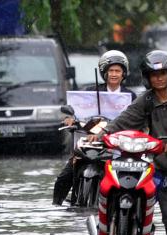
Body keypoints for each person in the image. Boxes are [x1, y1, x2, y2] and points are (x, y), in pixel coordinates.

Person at [88, 50, 167, 235]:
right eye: (154, 75)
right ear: (148, 78)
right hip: (164, 169)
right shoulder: (146, 100)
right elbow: (124, 119)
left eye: (163, 74)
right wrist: (102, 134)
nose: (159, 79)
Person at [52, 50, 136, 206]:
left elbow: (137, 120)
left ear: (124, 73)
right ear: (104, 72)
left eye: (117, 71)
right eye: (110, 70)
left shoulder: (131, 97)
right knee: (63, 178)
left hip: (116, 147)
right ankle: (57, 206)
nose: (114, 74)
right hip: (87, 145)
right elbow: (75, 112)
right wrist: (69, 120)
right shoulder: (88, 92)